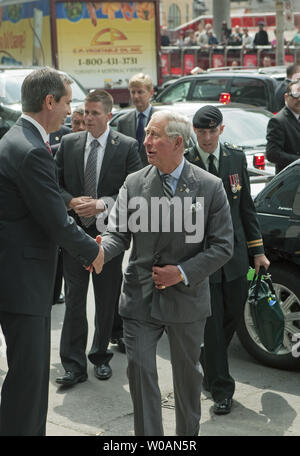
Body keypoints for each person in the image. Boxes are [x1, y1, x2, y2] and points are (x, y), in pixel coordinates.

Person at [100, 110, 234, 436]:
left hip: (186, 298)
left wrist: (183, 272)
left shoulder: (209, 187)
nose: (146, 142)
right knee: (140, 370)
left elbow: (222, 246)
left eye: (154, 135)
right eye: (146, 134)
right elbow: (119, 233)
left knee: (188, 378)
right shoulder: (134, 183)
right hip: (140, 298)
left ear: (177, 142)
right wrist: (100, 250)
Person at [0, 67, 102, 436]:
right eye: (67, 103)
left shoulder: (17, 138)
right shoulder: (31, 150)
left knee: (25, 379)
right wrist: (91, 251)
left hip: (16, 279)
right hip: (24, 283)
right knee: (28, 381)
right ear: (48, 102)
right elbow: (56, 220)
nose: (69, 112)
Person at [185, 105, 270, 416]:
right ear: (194, 131)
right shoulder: (185, 160)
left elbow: (245, 205)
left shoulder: (235, 156)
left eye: (212, 131)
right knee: (212, 323)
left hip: (234, 256)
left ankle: (209, 362)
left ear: (221, 130)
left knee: (233, 313)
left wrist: (257, 251)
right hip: (202, 256)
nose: (206, 138)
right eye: (201, 131)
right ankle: (222, 389)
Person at [55, 89, 142, 386]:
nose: (87, 119)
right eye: (85, 113)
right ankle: (73, 364)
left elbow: (135, 190)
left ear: (109, 115)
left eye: (94, 113)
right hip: (75, 235)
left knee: (106, 300)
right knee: (75, 300)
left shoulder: (127, 146)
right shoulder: (68, 143)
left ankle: (100, 356)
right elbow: (55, 184)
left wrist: (102, 203)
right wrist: (70, 202)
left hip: (109, 235)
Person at [117, 73, 157, 166]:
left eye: (140, 92)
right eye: (132, 92)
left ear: (151, 93)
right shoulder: (123, 121)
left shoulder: (160, 119)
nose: (135, 96)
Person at [266, 79, 300, 174]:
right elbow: (272, 154)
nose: (299, 99)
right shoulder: (278, 121)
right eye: (295, 95)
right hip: (290, 178)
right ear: (286, 97)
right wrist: (298, 160)